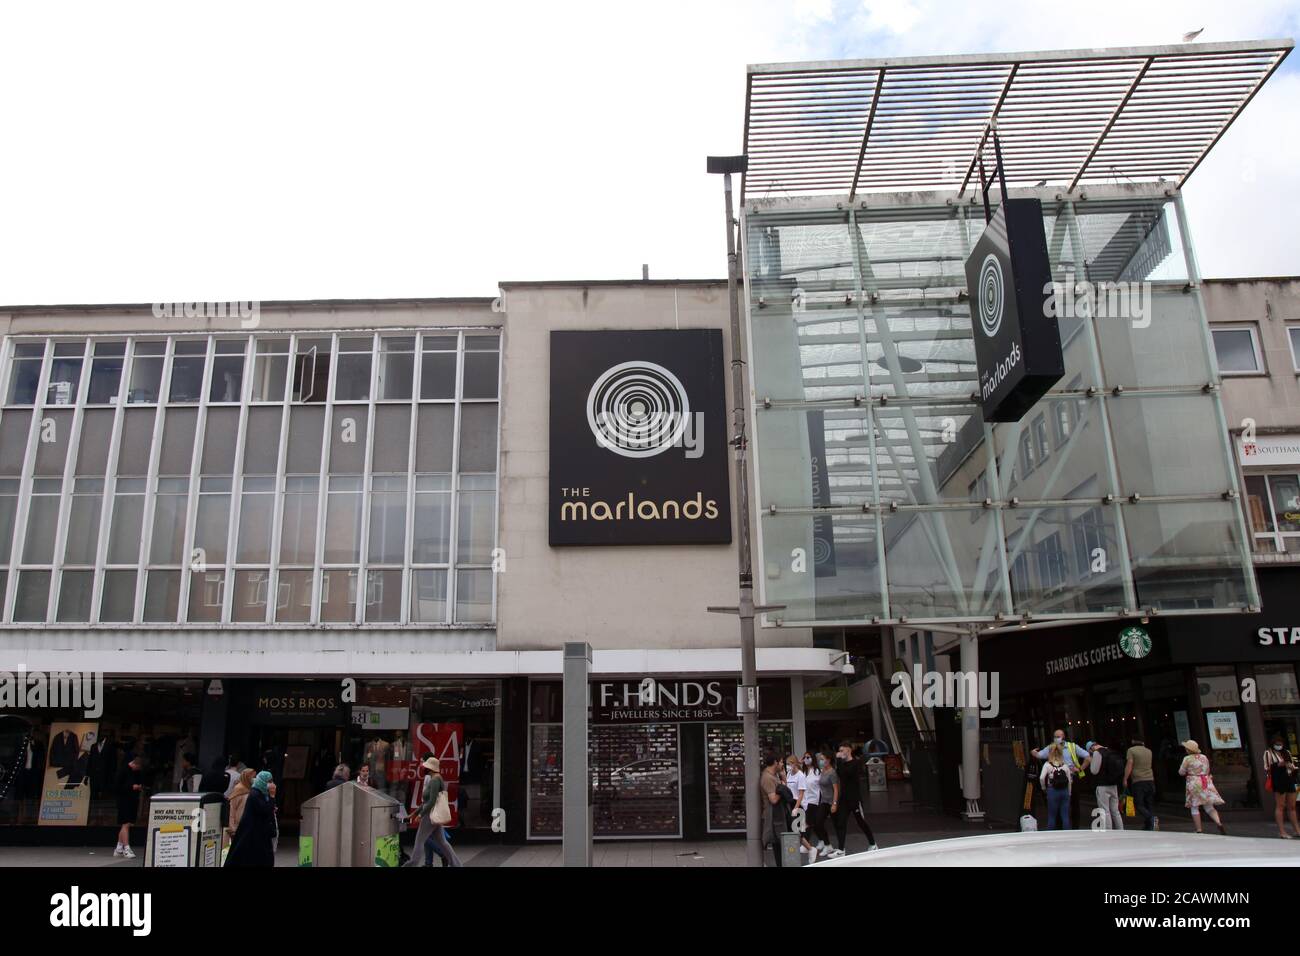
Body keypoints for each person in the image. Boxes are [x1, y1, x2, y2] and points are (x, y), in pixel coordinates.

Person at [404, 756, 461, 868]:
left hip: (430, 816)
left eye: (425, 767)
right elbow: (426, 802)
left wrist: (420, 815)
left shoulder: (435, 780)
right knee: (443, 843)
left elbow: (431, 801)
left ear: (430, 768)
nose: (423, 768)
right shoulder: (436, 778)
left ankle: (410, 865)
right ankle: (457, 865)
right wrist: (414, 814)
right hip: (434, 815)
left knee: (419, 842)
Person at [1031, 729, 1088, 828]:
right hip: (1061, 782)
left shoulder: (1072, 747)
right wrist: (1033, 753)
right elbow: (1039, 755)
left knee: (1069, 806)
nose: (1056, 739)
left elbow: (1087, 756)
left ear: (1063, 737)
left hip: (1069, 779)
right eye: (1055, 736)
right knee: (1064, 809)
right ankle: (1064, 827)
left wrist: (1079, 769)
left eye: (1058, 736)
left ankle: (1071, 827)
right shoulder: (1051, 748)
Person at [225, 771, 277, 866]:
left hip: (259, 832)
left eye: (272, 781)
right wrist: (272, 796)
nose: (271, 784)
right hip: (251, 832)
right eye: (269, 781)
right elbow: (264, 810)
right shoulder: (254, 794)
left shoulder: (262, 793)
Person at [833, 742, 879, 852]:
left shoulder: (856, 763)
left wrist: (839, 760)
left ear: (849, 750)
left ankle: (873, 844)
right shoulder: (842, 764)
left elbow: (847, 773)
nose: (840, 753)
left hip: (854, 799)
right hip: (844, 799)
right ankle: (841, 849)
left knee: (861, 822)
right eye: (839, 751)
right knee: (841, 822)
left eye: (842, 750)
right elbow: (840, 774)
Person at [1177, 740, 1226, 835]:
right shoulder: (1204, 757)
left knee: (1194, 806)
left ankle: (1199, 829)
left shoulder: (1187, 759)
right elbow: (1207, 770)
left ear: (1188, 749)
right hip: (1206, 781)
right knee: (1209, 806)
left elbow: (1181, 772)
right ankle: (1219, 823)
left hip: (1194, 782)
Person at [1263, 735, 1299, 839]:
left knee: (1292, 806)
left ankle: (1297, 830)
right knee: (1280, 806)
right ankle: (1282, 832)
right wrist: (1279, 764)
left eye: (1280, 744)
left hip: (1289, 778)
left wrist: (1291, 766)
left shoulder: (1286, 752)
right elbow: (1266, 768)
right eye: (1277, 744)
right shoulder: (1268, 753)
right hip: (1278, 780)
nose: (1279, 746)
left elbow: (1291, 764)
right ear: (1273, 744)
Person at [785, 754, 819, 861]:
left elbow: (801, 794)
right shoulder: (789, 774)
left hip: (799, 805)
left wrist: (796, 808)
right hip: (791, 803)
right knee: (794, 831)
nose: (787, 766)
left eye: (789, 764)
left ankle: (809, 848)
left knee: (796, 831)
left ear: (794, 764)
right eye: (787, 764)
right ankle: (808, 849)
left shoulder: (800, 775)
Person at [1087, 741, 1125, 831]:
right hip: (1113, 784)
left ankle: (1108, 831)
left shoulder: (1097, 753)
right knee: (1115, 811)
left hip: (1102, 786)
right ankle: (1121, 830)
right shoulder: (1110, 751)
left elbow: (1094, 770)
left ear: (1091, 748)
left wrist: (1091, 761)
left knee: (1105, 810)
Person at [1124, 737, 1158, 831]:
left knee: (1139, 804)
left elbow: (1129, 764)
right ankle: (1149, 825)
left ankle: (1151, 818)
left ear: (1133, 741)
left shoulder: (1131, 750)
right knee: (1149, 803)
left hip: (1138, 780)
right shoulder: (1149, 751)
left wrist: (1125, 778)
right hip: (1150, 779)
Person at [114, 756, 144, 859]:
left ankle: (119, 848)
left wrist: (139, 787)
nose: (137, 770)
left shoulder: (137, 772)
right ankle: (126, 848)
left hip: (132, 800)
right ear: (135, 764)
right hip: (124, 801)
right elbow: (117, 787)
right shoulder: (123, 770)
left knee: (126, 824)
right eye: (137, 768)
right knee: (126, 824)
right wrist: (131, 787)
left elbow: (140, 781)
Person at [814, 751, 843, 858]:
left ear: (828, 760)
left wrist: (834, 804)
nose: (820, 761)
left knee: (837, 826)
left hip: (831, 802)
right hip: (824, 801)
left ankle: (841, 848)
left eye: (822, 759)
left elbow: (836, 789)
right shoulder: (822, 771)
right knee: (818, 822)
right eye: (820, 759)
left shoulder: (832, 772)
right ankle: (828, 845)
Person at [758, 753, 784, 866]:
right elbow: (773, 799)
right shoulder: (767, 778)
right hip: (772, 816)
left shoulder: (774, 775)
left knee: (780, 844)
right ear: (775, 762)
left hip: (778, 814)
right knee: (777, 844)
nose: (782, 764)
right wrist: (783, 787)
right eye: (781, 762)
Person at [802, 751, 829, 856]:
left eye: (808, 757)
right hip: (806, 800)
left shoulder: (817, 771)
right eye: (804, 757)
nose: (806, 759)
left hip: (815, 800)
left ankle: (806, 844)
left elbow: (822, 784)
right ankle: (822, 840)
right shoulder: (804, 771)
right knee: (814, 823)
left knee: (808, 822)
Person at [1039, 743, 1072, 830]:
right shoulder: (1065, 765)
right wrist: (1069, 793)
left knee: (1052, 816)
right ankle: (1068, 834)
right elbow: (1069, 780)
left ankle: (1050, 835)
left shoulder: (1047, 764)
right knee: (1065, 816)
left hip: (1052, 790)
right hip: (1064, 791)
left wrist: (1044, 788)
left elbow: (1042, 778)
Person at [225, 768, 256, 843]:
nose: (254, 779)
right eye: (252, 776)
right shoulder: (238, 789)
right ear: (246, 777)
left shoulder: (252, 790)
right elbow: (232, 809)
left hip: (247, 826)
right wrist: (232, 828)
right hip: (237, 827)